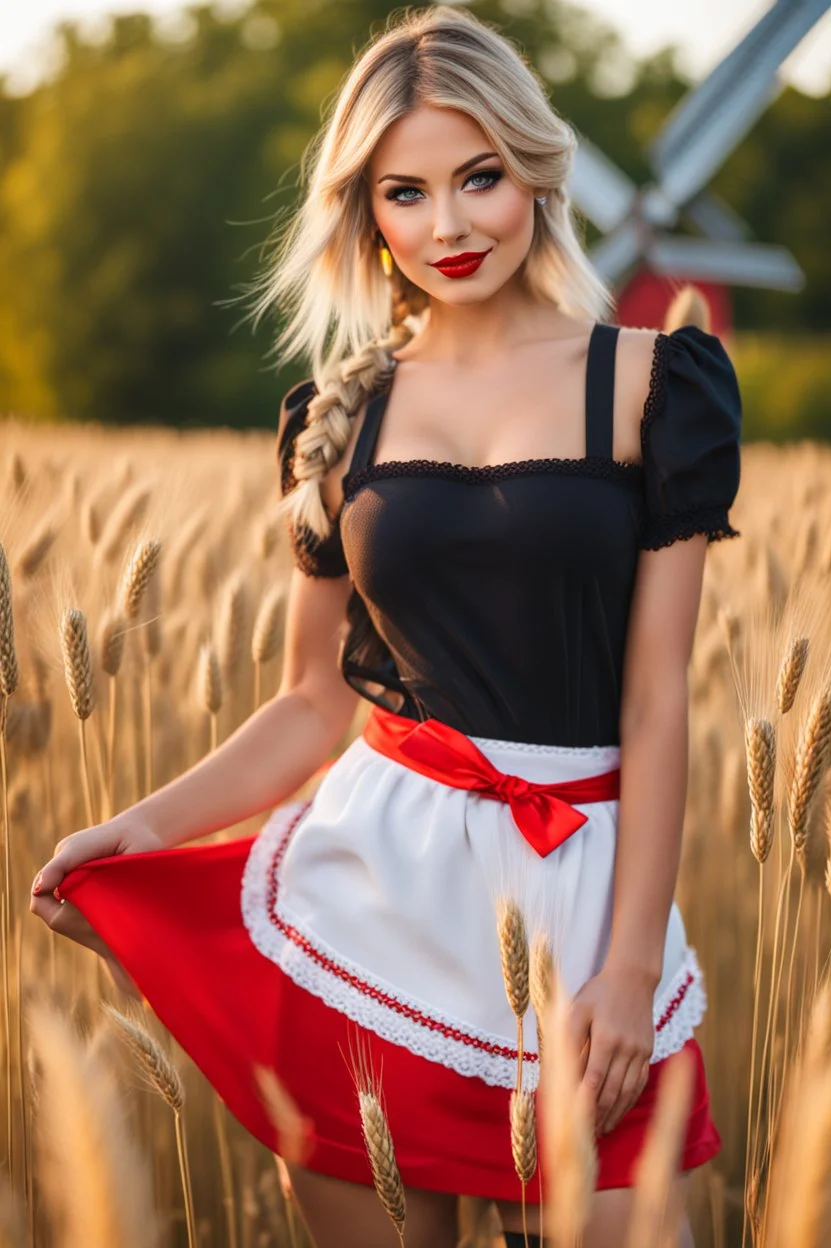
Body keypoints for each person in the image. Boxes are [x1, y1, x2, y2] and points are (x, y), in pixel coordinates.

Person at [29, 7, 742, 1246]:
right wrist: (136, 827)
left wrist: (628, 968)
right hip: (371, 902)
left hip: (581, 906)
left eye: (479, 178)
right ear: (365, 215)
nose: (447, 226)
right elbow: (314, 702)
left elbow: (655, 704)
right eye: (403, 194)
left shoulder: (651, 387)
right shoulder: (336, 418)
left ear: (536, 168)